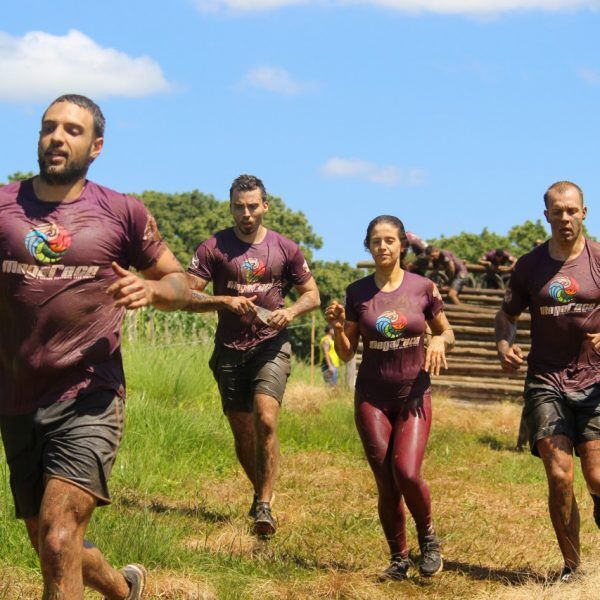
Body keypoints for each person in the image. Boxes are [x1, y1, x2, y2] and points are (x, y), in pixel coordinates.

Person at [0, 95, 190, 599]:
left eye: (72, 130)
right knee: (49, 543)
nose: (57, 137)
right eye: (49, 127)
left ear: (97, 146)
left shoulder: (121, 211)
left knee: (60, 536)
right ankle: (123, 588)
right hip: (17, 396)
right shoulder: (3, 205)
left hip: (89, 393)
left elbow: (179, 281)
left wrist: (152, 290)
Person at [185, 174, 320, 537]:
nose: (245, 213)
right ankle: (260, 492)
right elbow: (185, 294)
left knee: (266, 419)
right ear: (230, 207)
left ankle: (264, 504)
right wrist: (223, 300)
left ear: (265, 206)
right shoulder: (213, 248)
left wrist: (290, 312)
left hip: (271, 345)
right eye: (238, 207)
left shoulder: (285, 248)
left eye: (252, 206)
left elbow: (313, 295)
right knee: (243, 432)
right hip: (229, 350)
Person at [325, 215, 454, 581]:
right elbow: (347, 353)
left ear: (402, 245)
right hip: (372, 398)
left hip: (413, 394)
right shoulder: (358, 293)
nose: (383, 246)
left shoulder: (423, 288)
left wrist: (441, 340)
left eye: (390, 240)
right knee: (386, 481)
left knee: (407, 472)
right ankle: (398, 558)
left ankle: (428, 540)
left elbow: (447, 331)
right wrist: (337, 329)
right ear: (368, 245)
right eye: (376, 241)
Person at [495, 181, 600, 582]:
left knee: (596, 478)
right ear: (547, 216)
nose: (566, 218)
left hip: (595, 382)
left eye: (572, 210)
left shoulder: (598, 260)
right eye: (558, 211)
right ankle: (573, 566)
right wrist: (505, 343)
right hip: (546, 382)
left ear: (585, 213)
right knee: (559, 476)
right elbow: (506, 314)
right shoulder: (530, 267)